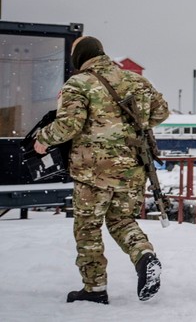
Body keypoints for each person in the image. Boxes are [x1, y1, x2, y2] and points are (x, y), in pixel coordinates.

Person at [33, 35, 170, 304]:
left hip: (92, 171)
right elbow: (161, 112)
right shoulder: (136, 81)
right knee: (122, 221)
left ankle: (94, 288)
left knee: (88, 228)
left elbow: (68, 126)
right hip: (132, 168)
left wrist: (42, 139)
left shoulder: (78, 83)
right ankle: (144, 256)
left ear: (80, 57)